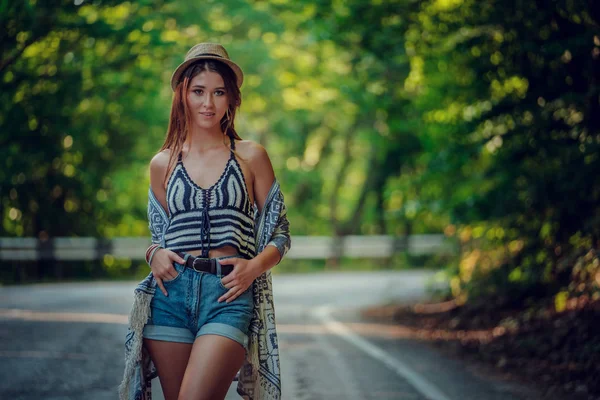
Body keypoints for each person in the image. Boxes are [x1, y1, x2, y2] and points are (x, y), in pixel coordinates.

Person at [119, 43, 291, 400]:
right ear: (183, 95)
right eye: (198, 92)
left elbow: (280, 233)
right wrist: (154, 253)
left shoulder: (251, 156)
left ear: (232, 99)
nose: (208, 103)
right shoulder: (161, 164)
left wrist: (253, 268)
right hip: (169, 297)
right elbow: (160, 236)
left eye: (218, 92)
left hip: (227, 293)